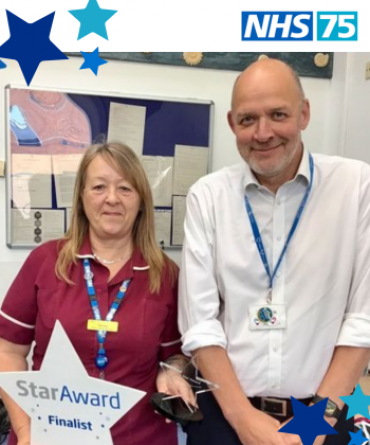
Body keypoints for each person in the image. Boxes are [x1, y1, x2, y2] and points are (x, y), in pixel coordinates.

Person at [178, 58, 370, 445]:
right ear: (232, 123)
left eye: (278, 114)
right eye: (248, 120)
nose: (263, 133)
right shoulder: (208, 197)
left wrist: (318, 422)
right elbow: (200, 324)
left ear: (304, 113)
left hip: (330, 412)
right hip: (228, 414)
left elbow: (363, 319)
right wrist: (244, 421)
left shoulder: (357, 187)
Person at [0, 142, 193, 445]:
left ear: (141, 200)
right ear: (81, 197)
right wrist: (26, 433)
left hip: (138, 436)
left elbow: (175, 355)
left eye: (126, 188)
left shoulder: (165, 275)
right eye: (99, 187)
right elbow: (7, 351)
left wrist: (172, 372)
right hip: (49, 435)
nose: (112, 199)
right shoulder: (45, 262)